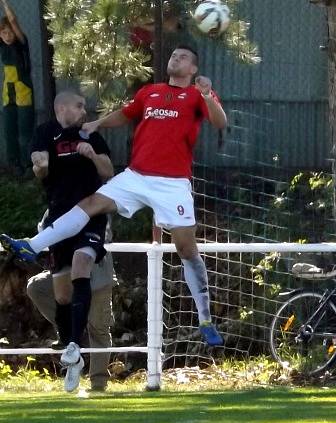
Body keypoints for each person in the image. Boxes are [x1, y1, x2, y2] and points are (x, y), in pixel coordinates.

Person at [0, 45, 227, 351]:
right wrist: (97, 123)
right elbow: (126, 113)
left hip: (173, 183)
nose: (175, 58)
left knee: (186, 248)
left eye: (184, 57)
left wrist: (209, 94)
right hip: (137, 175)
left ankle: (205, 318)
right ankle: (32, 245)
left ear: (193, 69)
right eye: (173, 55)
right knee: (92, 202)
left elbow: (220, 122)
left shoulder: (197, 94)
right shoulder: (151, 92)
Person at [25, 90, 113, 392]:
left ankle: (77, 347)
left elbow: (108, 171)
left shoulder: (88, 132)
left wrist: (93, 155)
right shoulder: (45, 133)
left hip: (90, 214)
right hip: (59, 220)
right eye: (79, 106)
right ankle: (72, 351)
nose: (84, 111)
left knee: (82, 264)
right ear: (62, 107)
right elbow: (41, 170)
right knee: (62, 294)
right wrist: (40, 165)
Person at [27, 250, 115, 392]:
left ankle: (98, 384)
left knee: (99, 329)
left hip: (97, 278)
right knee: (36, 286)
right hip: (68, 272)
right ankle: (70, 331)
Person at [0, 0, 34, 173]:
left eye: (10, 32)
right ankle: (15, 165)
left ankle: (29, 165)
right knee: (9, 131)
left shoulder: (21, 42)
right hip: (8, 93)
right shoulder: (2, 45)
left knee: (25, 132)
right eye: (3, 32)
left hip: (23, 91)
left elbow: (12, 20)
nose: (7, 35)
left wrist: (4, 3)